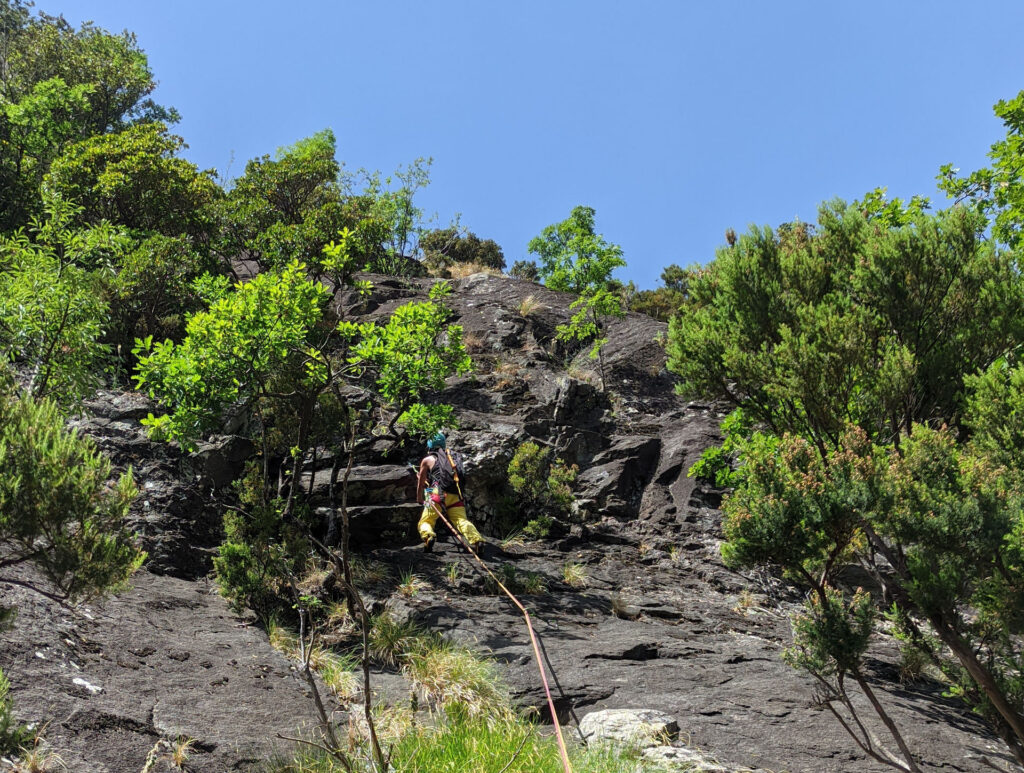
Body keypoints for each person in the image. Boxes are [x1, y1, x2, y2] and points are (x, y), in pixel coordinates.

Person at [416, 432, 484, 553]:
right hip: (456, 495)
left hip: (437, 494)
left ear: (430, 445)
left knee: (426, 521)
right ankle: (476, 540)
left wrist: (420, 499)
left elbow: (421, 484)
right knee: (461, 521)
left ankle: (428, 536)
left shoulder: (427, 460)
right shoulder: (453, 457)